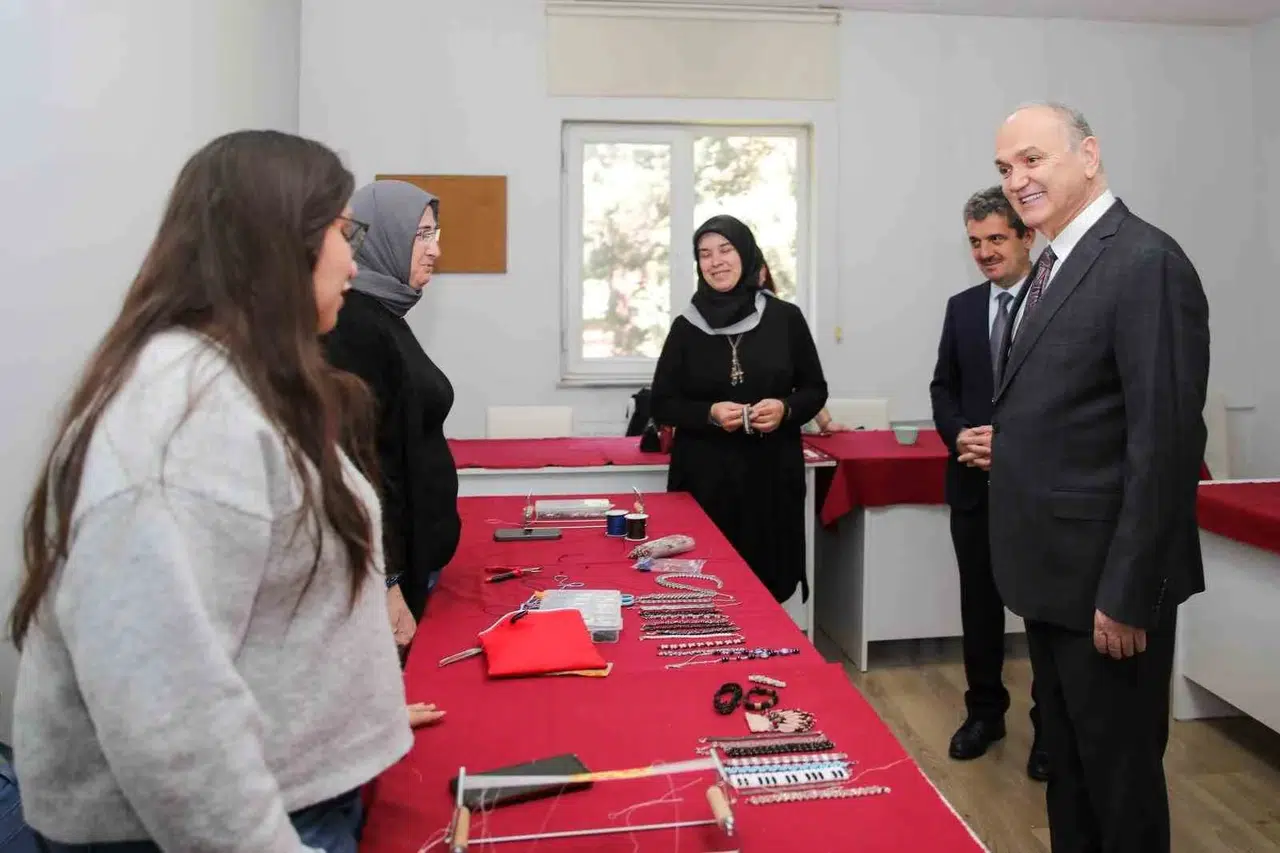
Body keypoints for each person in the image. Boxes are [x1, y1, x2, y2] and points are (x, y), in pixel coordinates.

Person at [8, 130, 414, 851]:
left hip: (294, 789)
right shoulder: (182, 413)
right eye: (341, 232)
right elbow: (164, 706)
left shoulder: (238, 384)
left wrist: (348, 717)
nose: (354, 260)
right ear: (278, 241)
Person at [988, 102, 1209, 852]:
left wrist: (1128, 592)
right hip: (1054, 579)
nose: (1017, 180)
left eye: (1032, 160)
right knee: (1071, 774)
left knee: (1119, 786)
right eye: (1005, 168)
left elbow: (1165, 444)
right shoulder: (1053, 263)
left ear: (1088, 155)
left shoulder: (1145, 262)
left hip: (1108, 590)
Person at [929, 186, 1048, 780]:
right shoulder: (962, 307)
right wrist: (960, 436)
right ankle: (984, 714)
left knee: (1044, 612)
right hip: (972, 483)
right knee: (979, 606)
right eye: (975, 242)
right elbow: (942, 387)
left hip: (1038, 488)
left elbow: (1066, 399)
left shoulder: (1059, 302)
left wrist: (1013, 444)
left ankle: (1051, 728)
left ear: (1028, 236)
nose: (984, 252)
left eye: (997, 238)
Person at [651, 215, 828, 602]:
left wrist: (784, 408)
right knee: (704, 588)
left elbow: (815, 390)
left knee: (767, 586)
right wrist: (709, 413)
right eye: (704, 254)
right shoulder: (686, 327)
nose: (715, 262)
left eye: (725, 250)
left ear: (746, 253)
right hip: (705, 480)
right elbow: (662, 403)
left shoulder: (785, 318)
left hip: (771, 478)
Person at [323, 180, 461, 659]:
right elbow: (361, 464)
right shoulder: (353, 325)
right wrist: (386, 580)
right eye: (421, 235)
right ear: (383, 236)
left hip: (416, 558)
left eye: (435, 234)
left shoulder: (383, 314)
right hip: (393, 573)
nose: (435, 249)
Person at [758, 258, 847, 433]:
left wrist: (825, 422)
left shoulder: (782, 316)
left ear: (763, 273)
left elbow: (805, 381)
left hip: (779, 430)